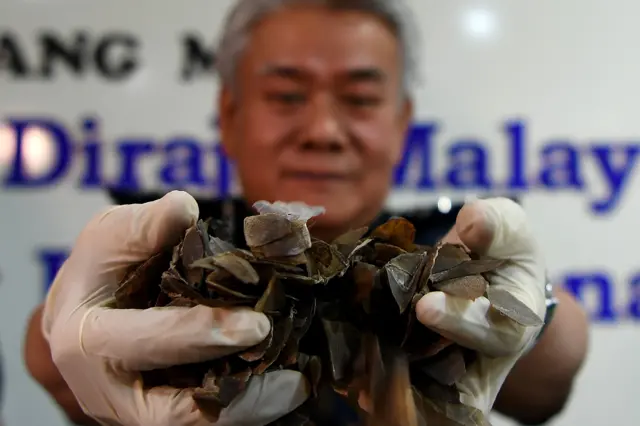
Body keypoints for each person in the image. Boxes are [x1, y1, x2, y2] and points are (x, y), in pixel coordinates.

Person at [23, 0, 590, 425]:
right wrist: (64, 329)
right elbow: (49, 357)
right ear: (228, 114)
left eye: (361, 99)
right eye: (287, 96)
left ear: (401, 124)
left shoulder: (446, 250)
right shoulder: (171, 245)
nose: (322, 131)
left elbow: (551, 380)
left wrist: (532, 310)